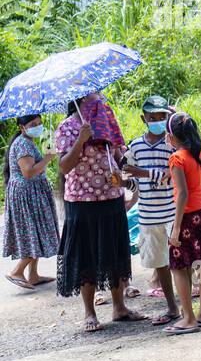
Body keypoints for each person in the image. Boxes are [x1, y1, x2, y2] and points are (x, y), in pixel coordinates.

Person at [55, 94, 144, 331]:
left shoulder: (106, 118)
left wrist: (122, 177)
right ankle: (89, 313)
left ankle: (120, 307)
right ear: (81, 100)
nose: (100, 100)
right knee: (86, 257)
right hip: (81, 201)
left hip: (111, 197)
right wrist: (81, 140)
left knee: (115, 252)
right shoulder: (67, 127)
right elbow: (64, 167)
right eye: (95, 97)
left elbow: (118, 156)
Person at [123, 95, 180, 326]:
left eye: (161, 117)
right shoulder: (135, 146)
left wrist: (143, 174)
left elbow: (174, 178)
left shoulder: (172, 145)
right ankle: (172, 307)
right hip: (148, 214)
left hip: (173, 211)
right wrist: (125, 182)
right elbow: (135, 182)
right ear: (143, 118)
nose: (156, 121)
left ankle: (197, 304)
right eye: (152, 117)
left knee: (187, 260)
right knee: (160, 264)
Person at [165, 113, 201, 334]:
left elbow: (183, 195)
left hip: (187, 216)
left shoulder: (176, 159)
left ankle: (188, 317)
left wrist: (176, 228)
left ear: (171, 138)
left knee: (178, 266)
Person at [3, 114, 59, 290]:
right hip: (26, 195)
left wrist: (46, 156)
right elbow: (28, 172)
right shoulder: (22, 144)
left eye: (40, 123)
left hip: (32, 193)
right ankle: (17, 271)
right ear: (22, 127)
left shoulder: (28, 141)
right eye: (33, 124)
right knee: (33, 233)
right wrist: (48, 158)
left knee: (37, 230)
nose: (38, 126)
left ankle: (33, 275)